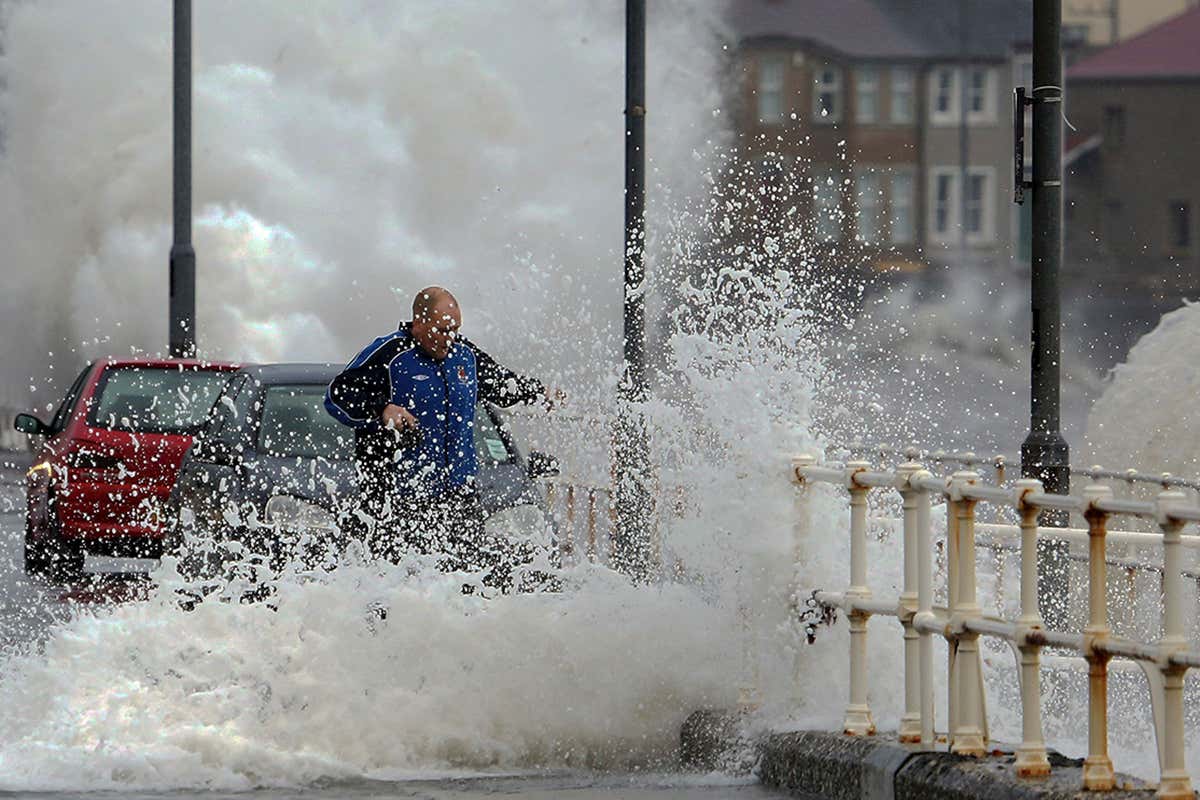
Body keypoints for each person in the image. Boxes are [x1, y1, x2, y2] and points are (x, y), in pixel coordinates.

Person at [324, 287, 554, 586]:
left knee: (463, 586)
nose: (449, 337)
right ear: (418, 323)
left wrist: (539, 392)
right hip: (399, 499)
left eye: (455, 329)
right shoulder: (390, 353)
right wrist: (383, 410)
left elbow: (502, 384)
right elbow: (339, 394)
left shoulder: (465, 355)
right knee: (400, 589)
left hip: (459, 495)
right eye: (442, 329)